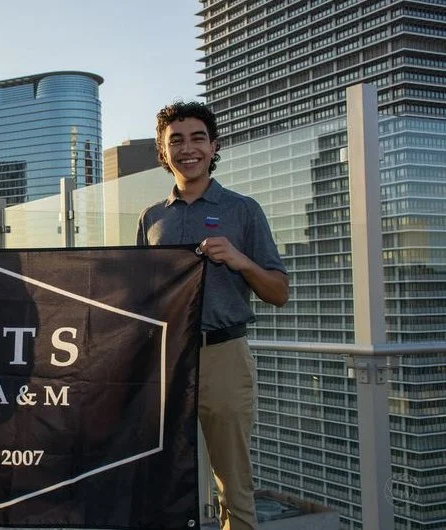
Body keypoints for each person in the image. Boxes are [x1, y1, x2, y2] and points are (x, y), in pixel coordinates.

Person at [137, 101, 288, 530]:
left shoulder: (244, 210)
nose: (188, 149)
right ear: (164, 152)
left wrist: (240, 260)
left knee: (233, 485)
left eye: (198, 138)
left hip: (224, 357)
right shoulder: (151, 218)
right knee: (160, 479)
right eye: (176, 141)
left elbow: (279, 293)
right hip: (167, 361)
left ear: (214, 146)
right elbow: (141, 296)